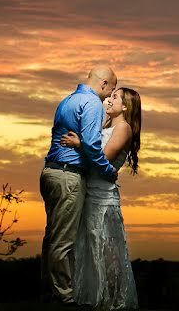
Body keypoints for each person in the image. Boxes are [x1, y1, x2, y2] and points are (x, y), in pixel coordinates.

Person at [41, 66, 119, 305]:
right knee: (63, 240)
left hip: (50, 173)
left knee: (52, 236)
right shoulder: (92, 103)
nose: (108, 97)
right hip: (69, 176)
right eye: (111, 90)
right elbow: (93, 147)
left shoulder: (68, 100)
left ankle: (49, 290)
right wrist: (108, 172)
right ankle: (63, 296)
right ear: (104, 83)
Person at [60, 86, 141, 310]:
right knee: (88, 246)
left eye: (115, 97)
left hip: (103, 196)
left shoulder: (123, 128)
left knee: (107, 249)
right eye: (111, 95)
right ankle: (91, 296)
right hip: (90, 191)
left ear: (126, 106)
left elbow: (102, 159)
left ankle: (112, 298)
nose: (109, 99)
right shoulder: (106, 125)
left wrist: (79, 144)